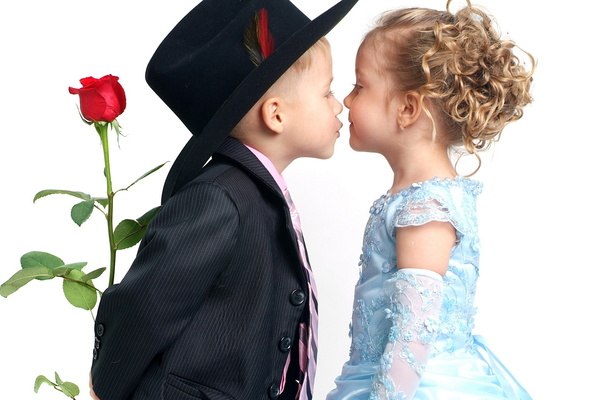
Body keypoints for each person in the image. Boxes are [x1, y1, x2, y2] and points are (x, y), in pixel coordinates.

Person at [88, 0, 358, 399]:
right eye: (327, 92)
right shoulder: (219, 199)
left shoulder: (259, 195)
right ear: (276, 115)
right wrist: (106, 387)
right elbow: (146, 305)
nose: (339, 104)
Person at [326, 1, 535, 399]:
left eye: (360, 86)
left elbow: (414, 333)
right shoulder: (419, 197)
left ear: (407, 108)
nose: (348, 101)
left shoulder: (425, 208)